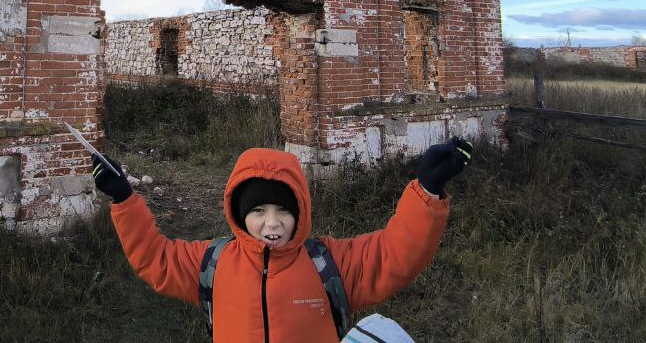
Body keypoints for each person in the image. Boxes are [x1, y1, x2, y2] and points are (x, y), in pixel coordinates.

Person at [91, 138, 472, 343]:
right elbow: (154, 259)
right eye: (258, 212)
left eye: (283, 211)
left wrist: (426, 190)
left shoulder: (330, 264)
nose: (272, 224)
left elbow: (395, 255)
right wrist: (125, 200)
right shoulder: (214, 262)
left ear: (301, 212)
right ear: (240, 215)